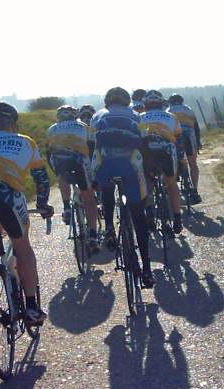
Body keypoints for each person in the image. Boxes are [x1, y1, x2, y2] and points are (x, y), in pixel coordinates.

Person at [0, 102, 54, 326]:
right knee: (21, 245)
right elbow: (41, 178)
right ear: (14, 124)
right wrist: (42, 204)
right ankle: (32, 307)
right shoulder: (25, 141)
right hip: (6, 197)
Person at [91, 86, 154, 288]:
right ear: (127, 102)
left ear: (107, 102)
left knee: (107, 189)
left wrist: (93, 178)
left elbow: (90, 146)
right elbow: (145, 144)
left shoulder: (96, 116)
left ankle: (109, 227)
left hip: (105, 163)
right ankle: (146, 270)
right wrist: (148, 172)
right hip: (130, 164)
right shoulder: (137, 115)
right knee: (138, 216)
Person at [46, 105, 100, 254]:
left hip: (58, 161)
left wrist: (55, 172)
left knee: (61, 174)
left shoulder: (51, 129)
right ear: (75, 116)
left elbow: (47, 152)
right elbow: (92, 150)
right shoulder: (84, 127)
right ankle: (93, 235)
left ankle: (66, 207)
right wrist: (94, 176)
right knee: (89, 199)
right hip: (80, 162)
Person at [139, 90, 185, 234]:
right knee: (171, 183)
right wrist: (181, 158)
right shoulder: (172, 117)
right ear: (161, 103)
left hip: (148, 153)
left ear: (145, 105)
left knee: (146, 180)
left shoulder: (138, 117)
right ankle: (177, 218)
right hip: (167, 151)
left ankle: (150, 212)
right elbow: (179, 139)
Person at [167, 94, 202, 203]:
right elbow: (196, 127)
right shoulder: (188, 109)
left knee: (174, 161)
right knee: (193, 164)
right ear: (182, 101)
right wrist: (198, 142)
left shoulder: (168, 110)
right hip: (190, 136)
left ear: (170, 102)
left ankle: (176, 178)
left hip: (176, 137)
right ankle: (195, 190)